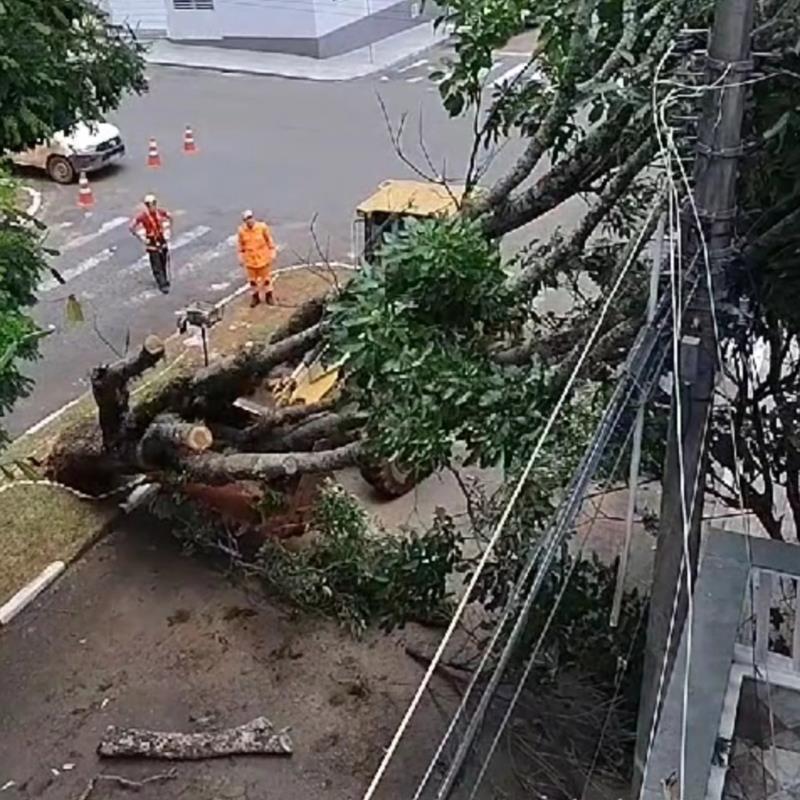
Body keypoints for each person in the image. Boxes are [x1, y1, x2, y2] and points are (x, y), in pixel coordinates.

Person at [130, 194, 172, 293]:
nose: (152, 206)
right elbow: (132, 227)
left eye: (153, 203)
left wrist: (167, 231)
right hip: (152, 242)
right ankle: (162, 283)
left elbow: (170, 217)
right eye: (149, 204)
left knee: (163, 261)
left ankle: (164, 279)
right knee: (156, 264)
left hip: (162, 240)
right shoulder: (143, 216)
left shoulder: (160, 212)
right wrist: (142, 238)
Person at [238, 210, 276, 307]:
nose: (249, 221)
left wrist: (272, 252)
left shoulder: (262, 227)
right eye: (246, 219)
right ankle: (255, 297)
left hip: (263, 258)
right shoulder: (241, 231)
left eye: (250, 218)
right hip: (250, 260)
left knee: (266, 279)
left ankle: (269, 296)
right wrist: (241, 257)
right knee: (252, 281)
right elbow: (240, 246)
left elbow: (269, 240)